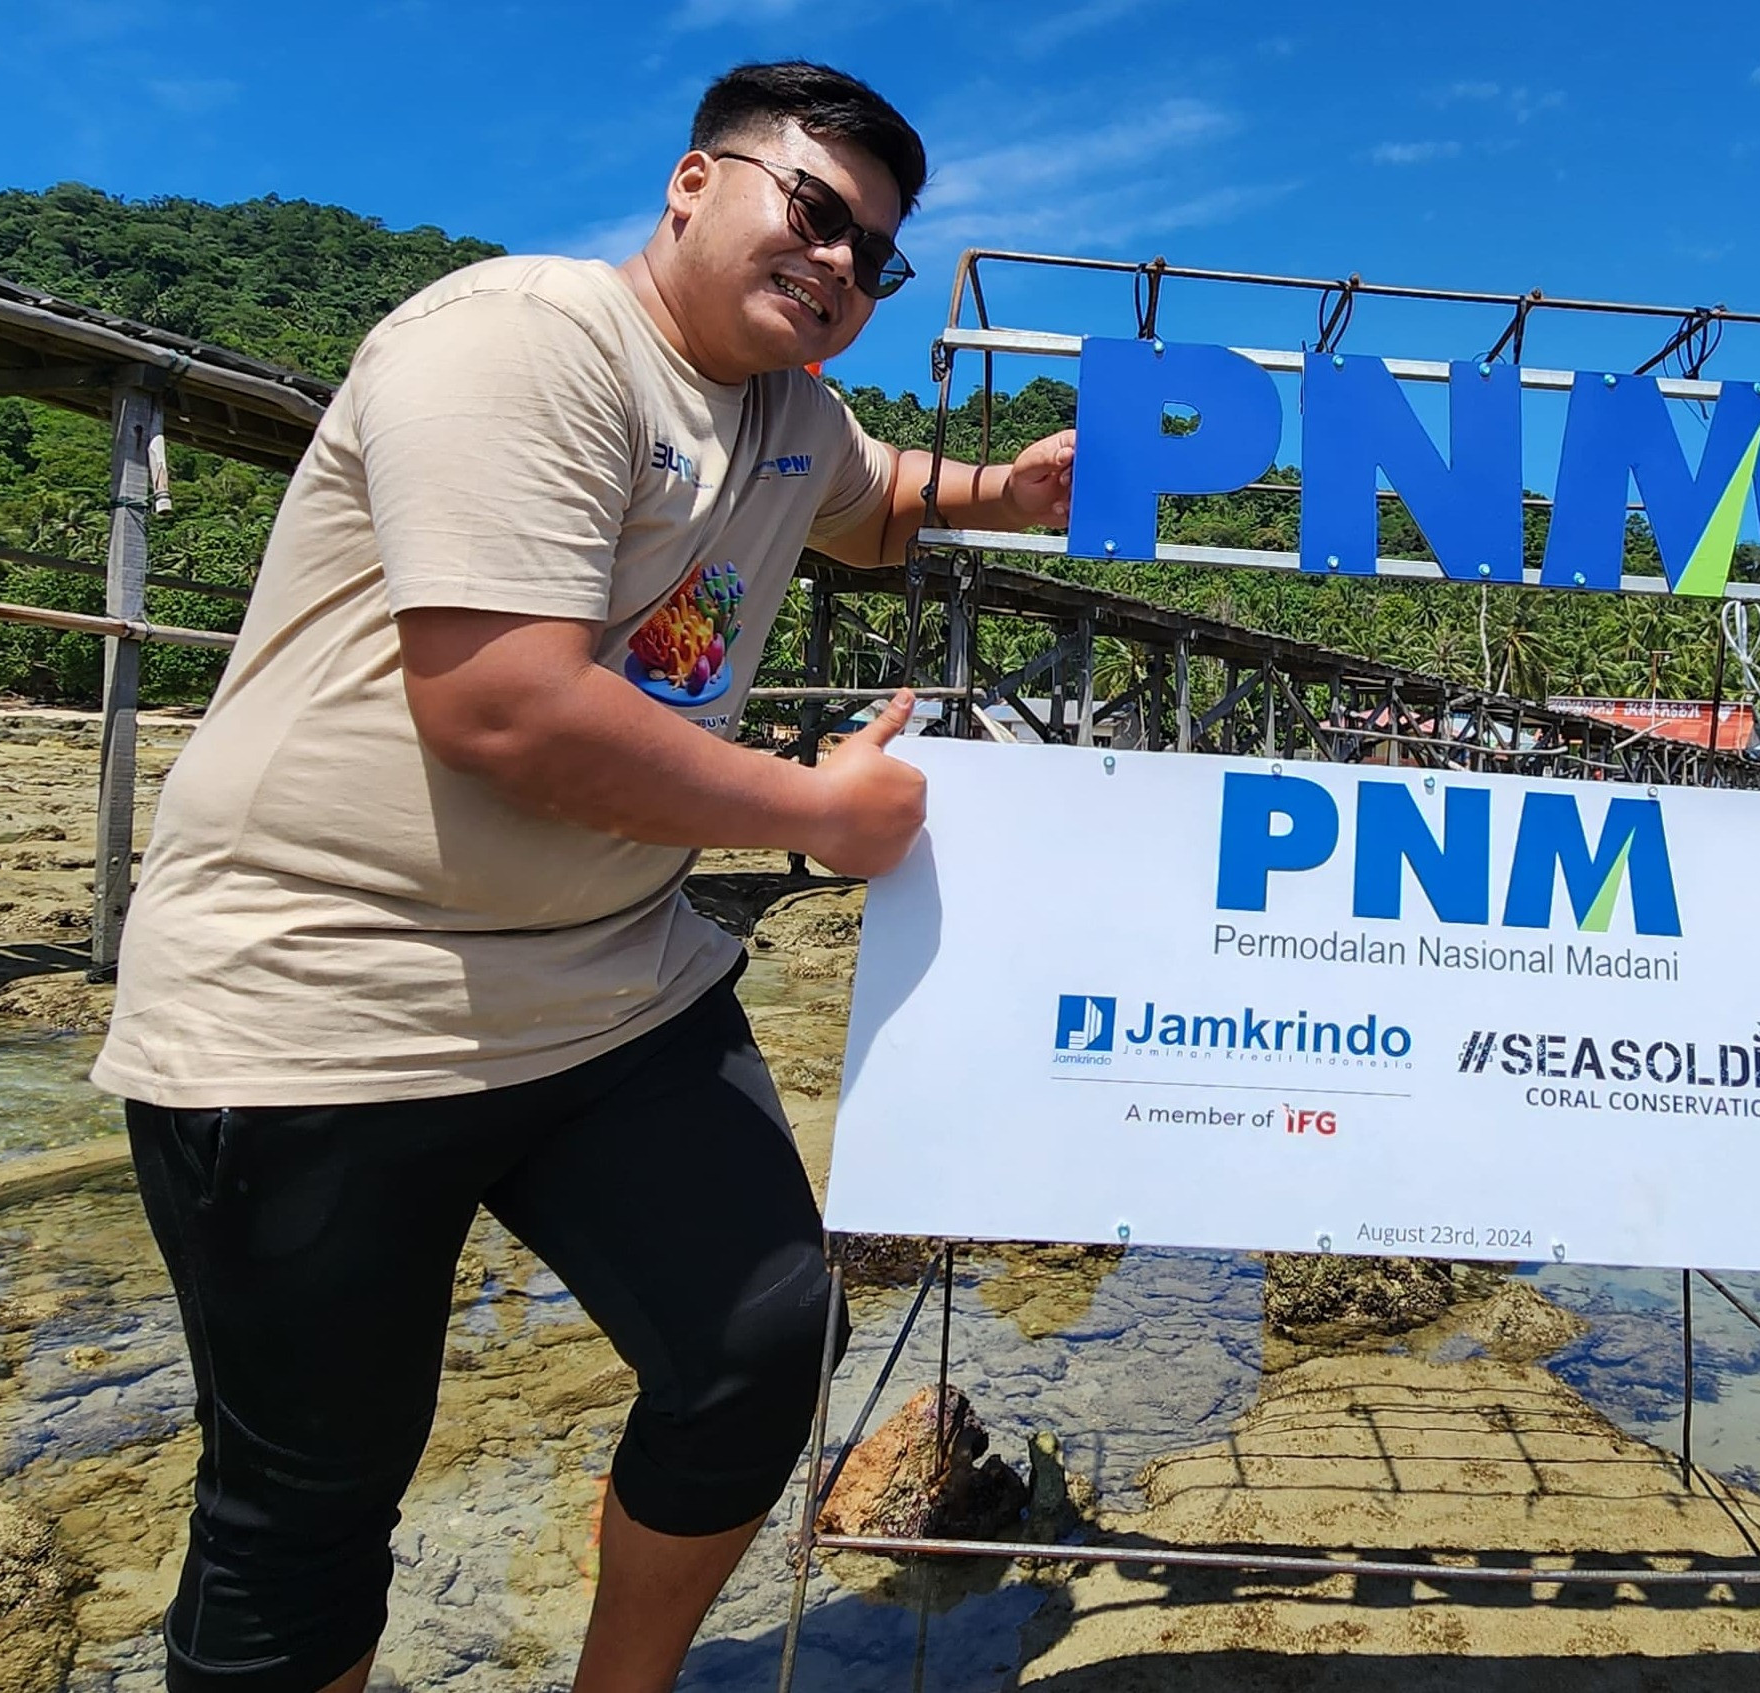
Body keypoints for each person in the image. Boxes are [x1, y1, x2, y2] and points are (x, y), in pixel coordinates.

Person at [91, 61, 1076, 1693]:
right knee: (308, 1501)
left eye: (873, 255)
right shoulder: (521, 341)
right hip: (323, 999)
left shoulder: (790, 414)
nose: (839, 263)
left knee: (759, 1341)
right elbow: (502, 701)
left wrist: (998, 492)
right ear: (694, 183)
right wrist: (816, 816)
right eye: (813, 212)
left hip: (609, 979)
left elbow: (878, 501)